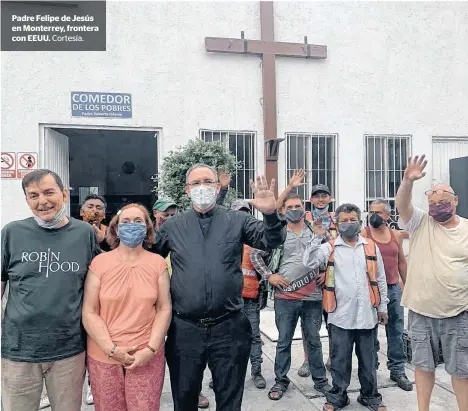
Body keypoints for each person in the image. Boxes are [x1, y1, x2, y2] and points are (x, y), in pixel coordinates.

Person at [151, 164, 285, 411]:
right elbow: (147, 259)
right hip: (185, 330)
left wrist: (270, 215)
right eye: (196, 183)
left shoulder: (237, 220)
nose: (202, 187)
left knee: (230, 398)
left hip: (229, 327)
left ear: (217, 186)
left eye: (208, 181)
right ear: (187, 189)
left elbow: (271, 240)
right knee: (184, 397)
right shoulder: (172, 226)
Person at [1, 169, 101, 411]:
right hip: (19, 348)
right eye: (33, 195)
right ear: (27, 200)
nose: (42, 201)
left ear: (64, 194)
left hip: (69, 349)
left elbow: (97, 286)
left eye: (48, 192)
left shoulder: (84, 234)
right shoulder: (12, 232)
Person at [395, 155, 468, 411]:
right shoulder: (420, 222)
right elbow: (402, 205)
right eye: (433, 202)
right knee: (423, 368)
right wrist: (407, 181)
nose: (438, 206)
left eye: (444, 202)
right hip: (421, 311)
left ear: (456, 201)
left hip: (458, 313)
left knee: (462, 371)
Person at [82, 203, 172, 411]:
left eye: (138, 221)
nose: (132, 226)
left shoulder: (157, 263)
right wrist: (111, 349)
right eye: (126, 221)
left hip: (146, 354)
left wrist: (151, 349)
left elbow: (164, 308)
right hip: (104, 354)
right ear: (115, 228)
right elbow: (89, 310)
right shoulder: (99, 263)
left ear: (148, 228)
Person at [304, 203, 389, 411]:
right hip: (340, 316)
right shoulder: (329, 247)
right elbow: (308, 262)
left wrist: (383, 307)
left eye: (353, 220)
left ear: (360, 223)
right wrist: (316, 236)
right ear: (337, 223)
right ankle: (337, 398)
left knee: (368, 362)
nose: (348, 224)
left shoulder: (370, 246)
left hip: (367, 315)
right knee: (339, 361)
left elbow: (380, 278)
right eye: (344, 220)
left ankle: (370, 397)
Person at [251, 192, 330, 401]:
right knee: (284, 341)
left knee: (314, 340)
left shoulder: (315, 229)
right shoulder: (278, 232)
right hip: (285, 297)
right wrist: (269, 275)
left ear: (303, 209)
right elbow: (254, 254)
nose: (295, 209)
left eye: (298, 206)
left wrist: (325, 271)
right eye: (290, 206)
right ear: (283, 210)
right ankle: (281, 381)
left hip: (312, 296)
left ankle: (321, 381)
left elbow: (330, 251)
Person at [276, 170, 336, 376]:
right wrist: (291, 187)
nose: (321, 199)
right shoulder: (289, 226)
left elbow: (334, 251)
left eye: (324, 196)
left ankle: (329, 364)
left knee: (325, 330)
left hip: (323, 287)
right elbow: (275, 210)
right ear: (310, 201)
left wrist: (326, 273)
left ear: (330, 198)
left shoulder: (332, 221)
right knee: (292, 336)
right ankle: (305, 363)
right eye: (316, 196)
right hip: (289, 294)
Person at [360, 199, 412, 391]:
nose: (374, 214)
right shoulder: (364, 234)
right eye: (371, 211)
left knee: (396, 331)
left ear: (388, 216)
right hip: (371, 291)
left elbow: (401, 262)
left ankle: (397, 369)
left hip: (393, 289)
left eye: (379, 212)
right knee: (370, 331)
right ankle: (371, 367)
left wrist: (407, 284)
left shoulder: (395, 235)